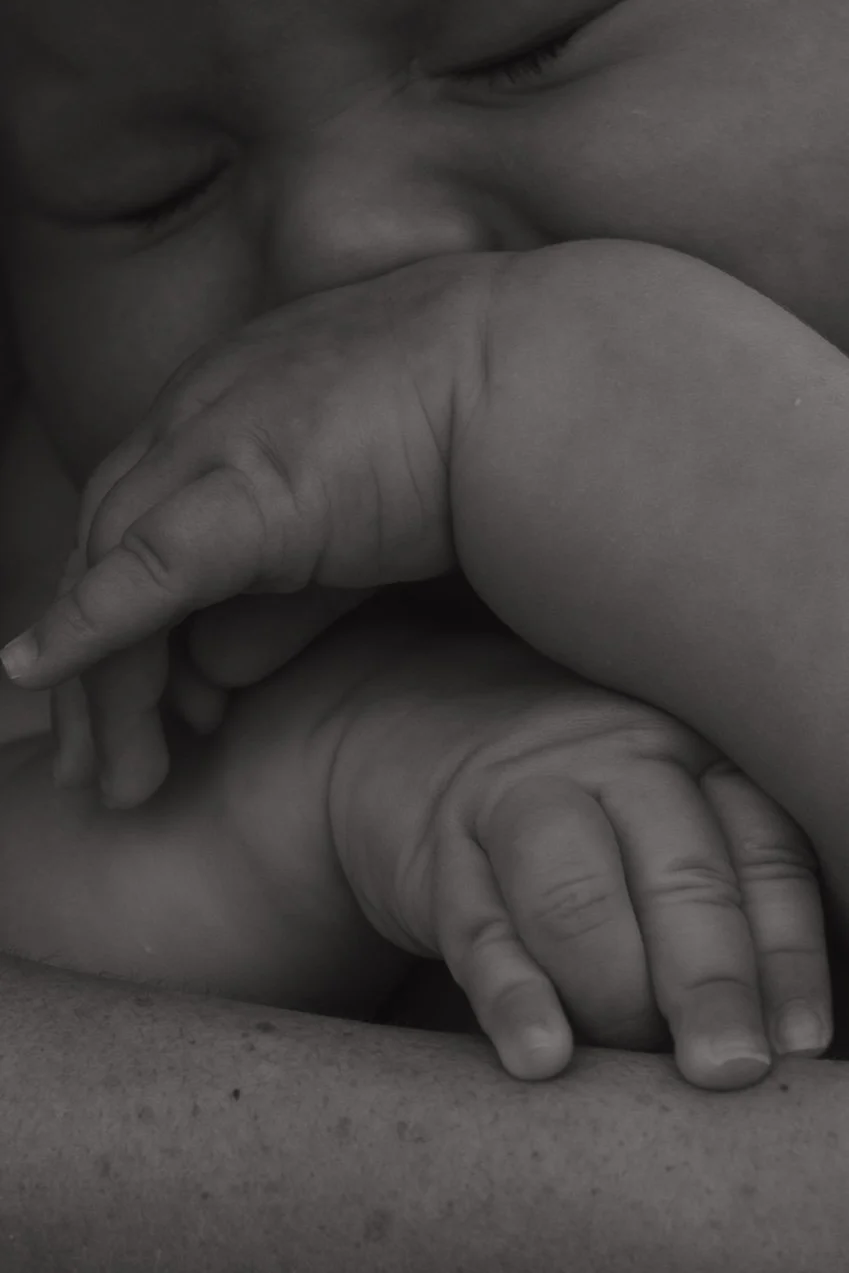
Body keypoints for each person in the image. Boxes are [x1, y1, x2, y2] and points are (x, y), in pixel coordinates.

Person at [1, 0, 849, 1267]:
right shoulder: (114, 584)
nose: (345, 243)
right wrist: (297, 792)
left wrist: (570, 385)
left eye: (522, 42)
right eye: (149, 187)